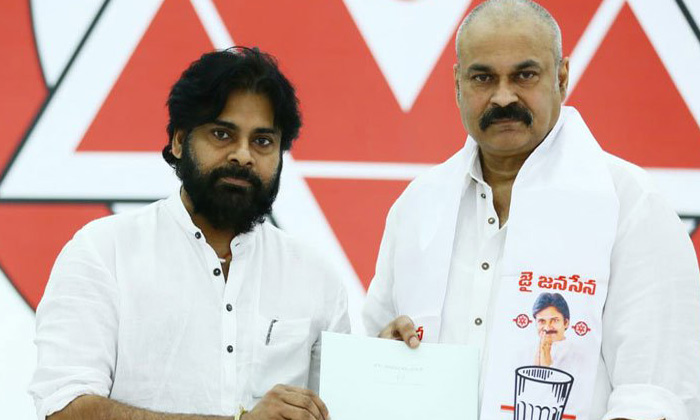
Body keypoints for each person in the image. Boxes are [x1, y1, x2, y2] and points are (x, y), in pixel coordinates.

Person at [363, 1, 700, 419]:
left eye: (524, 75)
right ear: (457, 84)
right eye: (483, 77)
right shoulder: (418, 206)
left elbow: (654, 396)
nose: (504, 97)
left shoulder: (631, 205)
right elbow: (370, 352)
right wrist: (385, 360)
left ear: (562, 77)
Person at [29, 47, 349, 420]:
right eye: (222, 134)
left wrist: (391, 366)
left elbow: (342, 410)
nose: (243, 155)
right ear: (179, 141)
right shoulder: (104, 252)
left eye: (262, 141)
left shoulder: (316, 277)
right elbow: (65, 409)